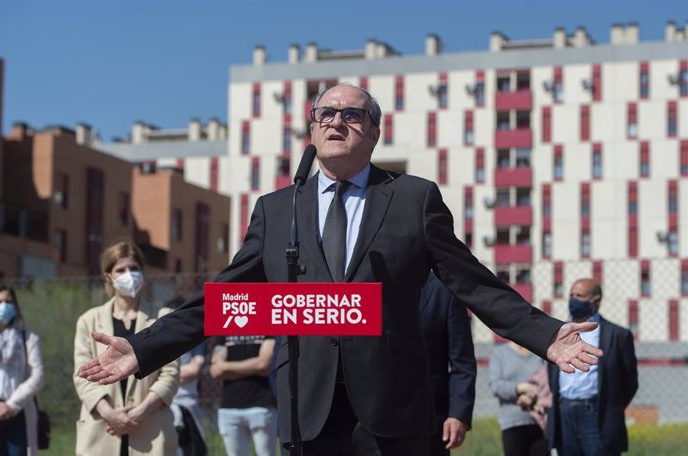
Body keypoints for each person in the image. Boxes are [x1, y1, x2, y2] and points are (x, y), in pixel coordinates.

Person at [79, 83, 603, 456]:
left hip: (393, 407)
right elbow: (226, 299)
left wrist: (546, 334)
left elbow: (472, 281)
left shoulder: (412, 199)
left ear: (373, 132)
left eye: (351, 114)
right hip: (307, 405)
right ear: (312, 128)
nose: (335, 121)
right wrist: (146, 346)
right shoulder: (277, 209)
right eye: (325, 113)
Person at [73, 241, 179, 456]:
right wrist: (109, 414)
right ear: (108, 277)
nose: (128, 274)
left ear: (143, 272)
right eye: (120, 270)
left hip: (150, 429)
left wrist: (139, 412)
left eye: (134, 268)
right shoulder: (88, 321)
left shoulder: (163, 318)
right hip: (101, 430)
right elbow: (82, 375)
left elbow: (170, 374)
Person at [546, 278, 638, 456]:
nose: (573, 299)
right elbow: (552, 375)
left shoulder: (618, 335)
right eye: (571, 295)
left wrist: (610, 406)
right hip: (564, 412)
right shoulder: (558, 332)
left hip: (598, 416)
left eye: (580, 295)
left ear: (596, 301)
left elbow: (630, 382)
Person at [419, 272, 476, 455]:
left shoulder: (444, 291)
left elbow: (462, 362)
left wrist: (458, 414)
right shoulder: (367, 282)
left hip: (431, 421)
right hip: (372, 421)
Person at [209, 335, 277, 456]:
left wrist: (226, 367)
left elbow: (264, 364)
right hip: (229, 407)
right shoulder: (224, 329)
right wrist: (253, 368)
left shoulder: (267, 326)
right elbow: (216, 371)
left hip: (262, 405)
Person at [0, 284, 44, 456]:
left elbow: (37, 376)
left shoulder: (28, 339)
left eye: (8, 301)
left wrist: (11, 405)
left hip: (19, 413)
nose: (3, 306)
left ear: (15, 305)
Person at [489, 341, 549, 456]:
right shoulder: (500, 353)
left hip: (540, 423)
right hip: (512, 424)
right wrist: (519, 388)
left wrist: (533, 395)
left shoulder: (538, 350)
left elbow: (548, 380)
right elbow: (495, 386)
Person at [164, 297, 207, 456]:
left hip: (188, 405)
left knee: (192, 450)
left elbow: (194, 369)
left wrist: (165, 374)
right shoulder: (161, 342)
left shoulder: (195, 339)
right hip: (162, 403)